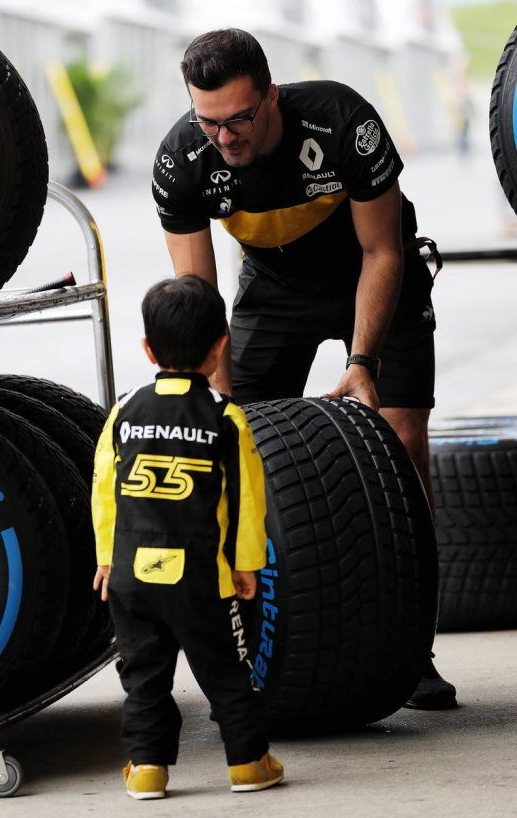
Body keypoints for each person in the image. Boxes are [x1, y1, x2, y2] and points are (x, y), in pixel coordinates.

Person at [152, 28, 456, 710]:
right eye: (208, 121)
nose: (223, 137)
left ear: (271, 97)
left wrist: (361, 362)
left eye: (237, 119)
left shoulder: (343, 122)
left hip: (375, 274)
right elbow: (199, 304)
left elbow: (382, 252)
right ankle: (259, 634)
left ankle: (416, 651)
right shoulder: (182, 158)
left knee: (403, 444)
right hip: (273, 291)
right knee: (244, 451)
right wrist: (217, 403)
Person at [92, 275, 284, 799]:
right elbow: (248, 502)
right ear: (221, 345)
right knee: (227, 671)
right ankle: (248, 763)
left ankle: (148, 768)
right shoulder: (226, 417)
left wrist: (107, 558)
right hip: (202, 578)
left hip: (131, 575)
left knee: (144, 677)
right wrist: (246, 565)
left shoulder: (124, 412)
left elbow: (104, 490)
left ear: (148, 349)